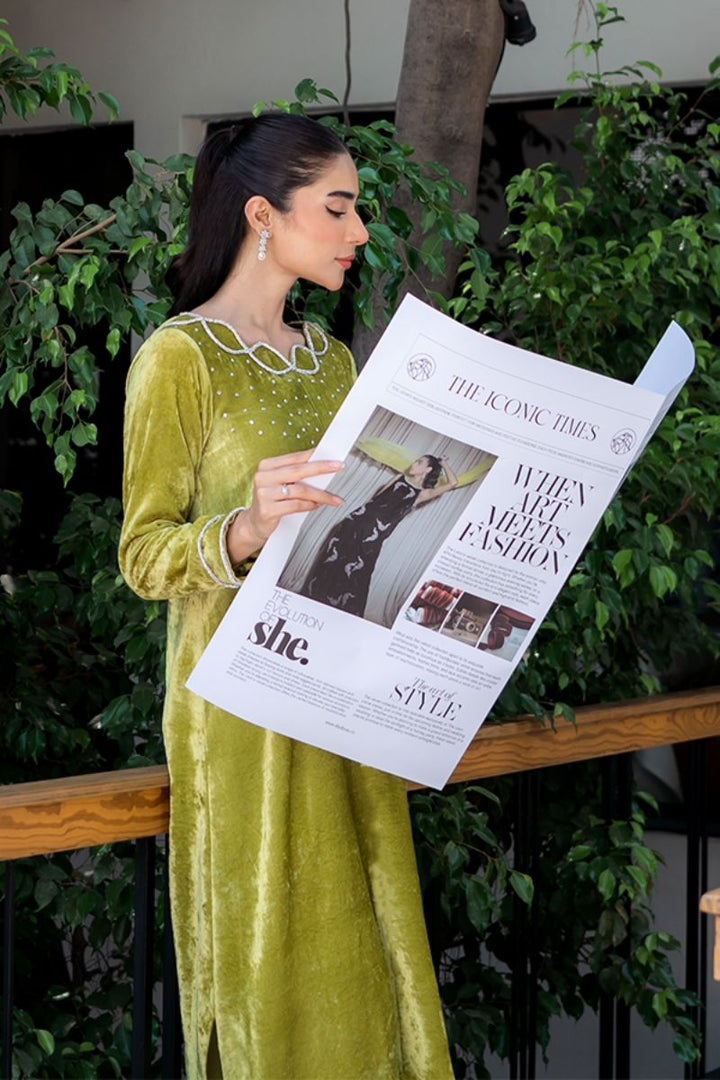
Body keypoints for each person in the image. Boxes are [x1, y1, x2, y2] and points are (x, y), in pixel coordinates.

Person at [119, 113, 453, 1080]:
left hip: (342, 689)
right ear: (262, 215)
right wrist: (243, 530)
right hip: (241, 719)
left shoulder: (333, 360)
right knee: (272, 978)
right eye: (337, 209)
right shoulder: (179, 357)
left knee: (369, 945)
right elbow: (142, 555)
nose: (359, 233)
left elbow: (360, 528)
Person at [300, 454, 459, 617]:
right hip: (353, 525)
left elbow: (453, 483)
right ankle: (315, 599)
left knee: (358, 574)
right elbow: (374, 501)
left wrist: (443, 463)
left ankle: (343, 613)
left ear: (428, 469)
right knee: (332, 561)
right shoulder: (399, 478)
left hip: (372, 538)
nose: (414, 463)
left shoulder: (422, 494)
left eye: (419, 462)